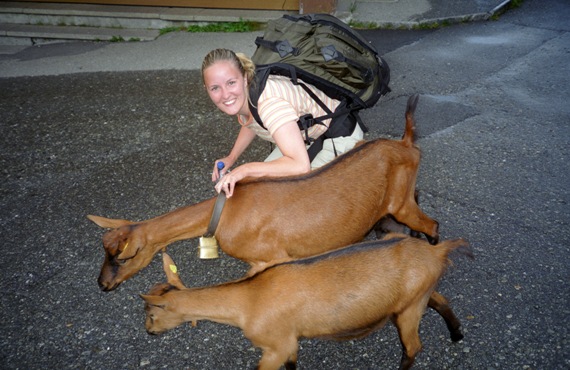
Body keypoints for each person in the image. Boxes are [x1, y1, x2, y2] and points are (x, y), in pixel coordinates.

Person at [201, 48, 364, 198]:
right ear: (206, 89)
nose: (225, 94)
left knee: (294, 200)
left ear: (244, 78)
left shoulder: (270, 104)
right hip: (308, 137)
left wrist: (244, 169)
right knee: (261, 188)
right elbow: (251, 122)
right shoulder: (249, 93)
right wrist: (232, 157)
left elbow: (300, 166)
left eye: (231, 83)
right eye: (215, 88)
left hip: (337, 136)